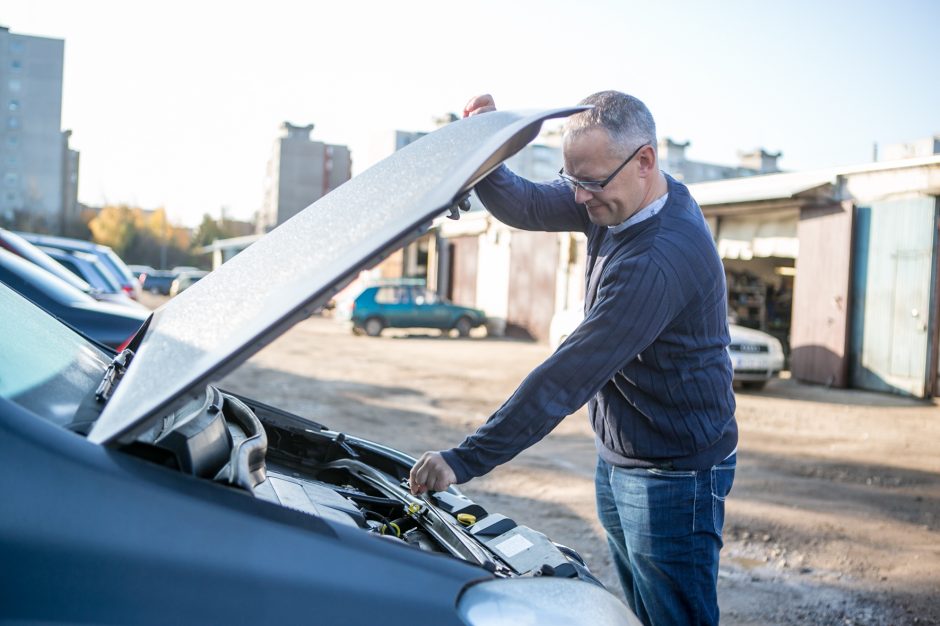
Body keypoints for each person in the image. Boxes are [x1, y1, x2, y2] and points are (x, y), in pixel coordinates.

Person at [409, 91, 737, 626]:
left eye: (591, 183)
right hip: (623, 454)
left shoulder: (658, 258)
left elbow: (564, 379)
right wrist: (487, 143)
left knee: (673, 618)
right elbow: (528, 203)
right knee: (640, 610)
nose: (580, 198)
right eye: (573, 179)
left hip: (674, 473)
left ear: (645, 161)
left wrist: (463, 459)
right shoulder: (615, 195)